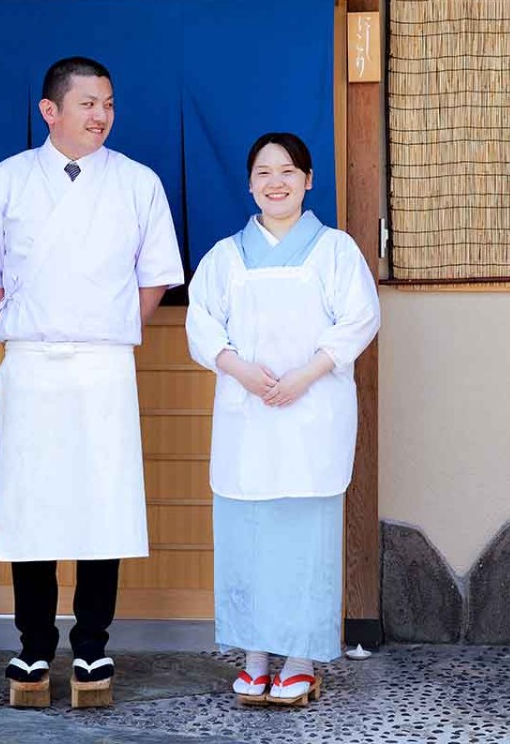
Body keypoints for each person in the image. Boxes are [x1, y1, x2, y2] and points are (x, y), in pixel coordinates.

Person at [0, 56, 184, 707]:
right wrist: (9, 319)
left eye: (108, 102)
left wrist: (112, 327)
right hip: (32, 359)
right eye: (87, 103)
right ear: (50, 110)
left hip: (104, 361)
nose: (101, 114)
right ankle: (31, 645)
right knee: (34, 503)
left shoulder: (137, 183)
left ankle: (93, 644)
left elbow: (157, 271)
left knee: (100, 503)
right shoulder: (8, 181)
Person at [186, 132, 381, 706]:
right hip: (247, 414)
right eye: (264, 172)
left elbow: (358, 320)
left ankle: (298, 658)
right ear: (250, 184)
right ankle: (253, 656)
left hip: (310, 411)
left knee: (304, 537)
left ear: (308, 180)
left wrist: (307, 373)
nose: (276, 182)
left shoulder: (336, 251)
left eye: (288, 171)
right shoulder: (225, 257)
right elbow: (202, 325)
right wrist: (237, 368)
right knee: (247, 535)